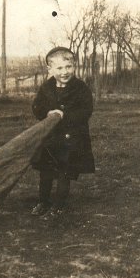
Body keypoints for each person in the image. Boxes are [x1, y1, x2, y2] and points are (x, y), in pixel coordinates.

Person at [30, 47, 95, 219]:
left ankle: (58, 205)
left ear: (74, 66)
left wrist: (64, 116)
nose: (65, 72)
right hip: (50, 140)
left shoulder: (81, 88)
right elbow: (37, 107)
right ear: (50, 69)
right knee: (46, 173)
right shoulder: (46, 88)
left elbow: (86, 111)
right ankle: (43, 201)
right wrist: (48, 113)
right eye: (59, 68)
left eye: (68, 67)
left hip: (71, 141)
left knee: (64, 174)